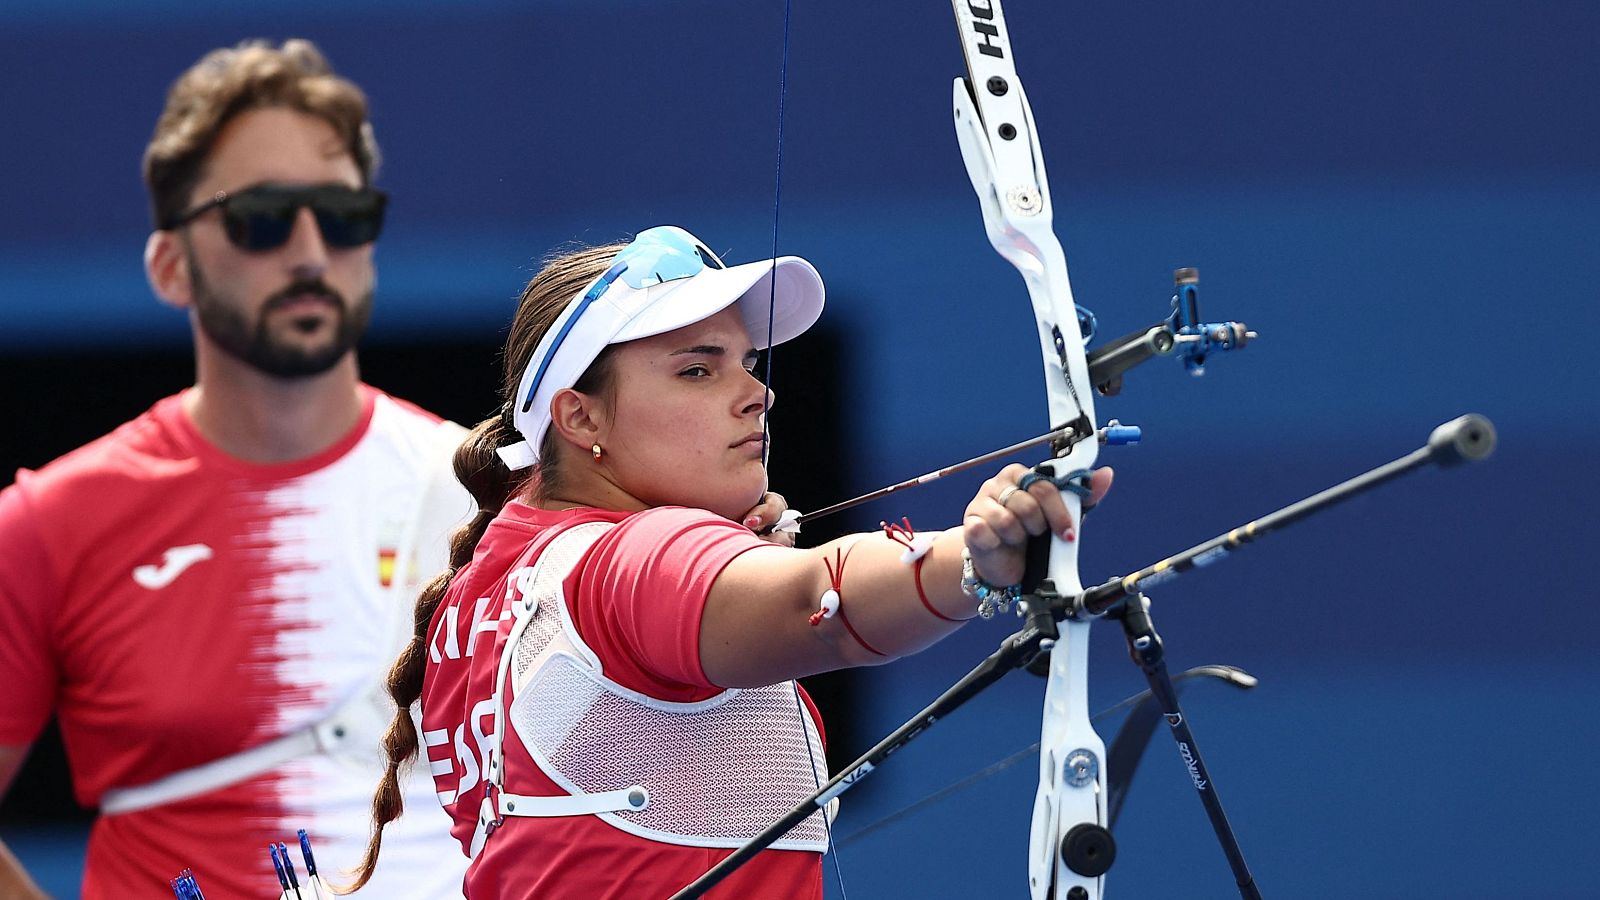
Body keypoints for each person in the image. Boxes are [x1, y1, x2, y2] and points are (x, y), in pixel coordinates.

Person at [350, 226, 1113, 898]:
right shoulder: (630, 558)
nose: (757, 393)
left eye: (747, 361)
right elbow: (817, 603)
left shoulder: (493, 576)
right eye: (697, 369)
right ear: (579, 416)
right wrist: (975, 560)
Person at [0, 40, 475, 898]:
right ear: (170, 265)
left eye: (341, 215)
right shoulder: (47, 525)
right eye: (261, 217)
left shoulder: (482, 490)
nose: (307, 251)